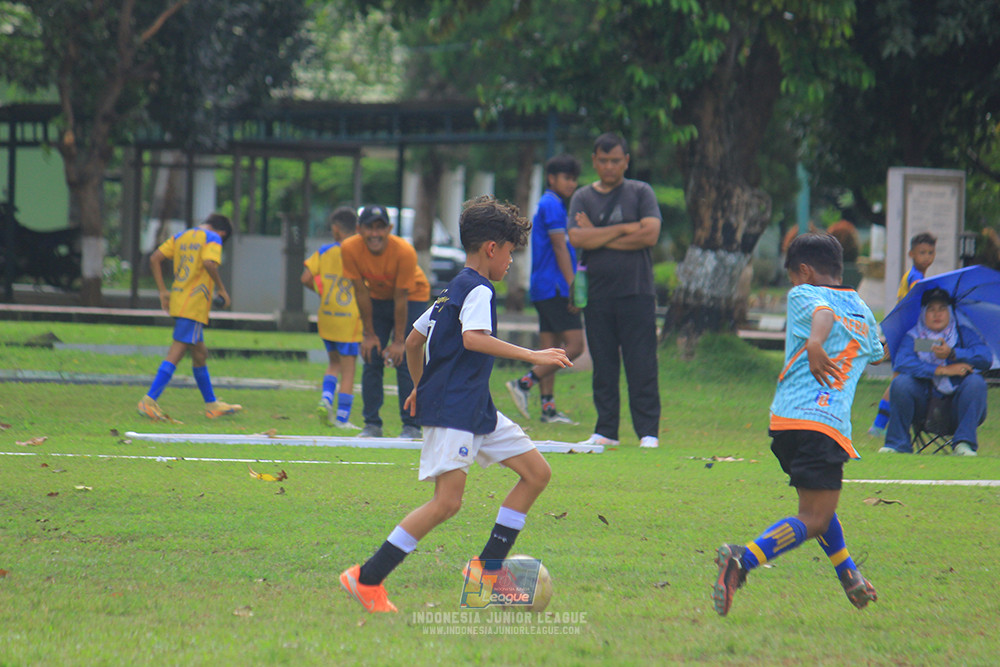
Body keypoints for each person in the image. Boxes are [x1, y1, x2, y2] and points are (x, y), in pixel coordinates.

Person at [339, 195, 571, 613]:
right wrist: (534, 355)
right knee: (446, 502)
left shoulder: (451, 290)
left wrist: (420, 385)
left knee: (537, 473)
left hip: (475, 408)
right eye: (510, 253)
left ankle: (486, 571)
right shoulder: (478, 288)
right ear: (492, 248)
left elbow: (414, 340)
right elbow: (473, 338)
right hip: (456, 410)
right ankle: (367, 578)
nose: (510, 263)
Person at [712, 233, 883, 617]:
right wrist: (818, 343)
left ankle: (848, 573)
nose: (794, 284)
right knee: (815, 516)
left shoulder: (802, 294)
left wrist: (819, 342)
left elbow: (829, 320)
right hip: (823, 425)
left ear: (803, 270)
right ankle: (742, 559)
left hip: (787, 423)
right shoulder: (859, 308)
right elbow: (872, 349)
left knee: (817, 507)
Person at [567, 132, 661, 449]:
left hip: (637, 292)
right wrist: (625, 228)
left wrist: (598, 234)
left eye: (616, 160)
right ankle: (606, 429)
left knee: (642, 363)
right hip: (597, 294)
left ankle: (648, 432)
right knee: (603, 365)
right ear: (594, 161)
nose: (609, 166)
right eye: (604, 160)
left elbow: (650, 235)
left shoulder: (641, 192)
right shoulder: (582, 197)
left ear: (626, 161)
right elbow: (577, 238)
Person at [137, 213, 242, 421]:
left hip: (179, 299)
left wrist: (163, 291)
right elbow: (210, 263)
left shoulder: (181, 236)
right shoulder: (213, 238)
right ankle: (149, 400)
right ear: (222, 233)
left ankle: (212, 405)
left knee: (200, 354)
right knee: (176, 352)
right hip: (194, 304)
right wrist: (222, 290)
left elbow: (155, 258)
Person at [340, 204, 431, 439]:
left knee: (406, 358)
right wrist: (369, 335)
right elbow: (360, 292)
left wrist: (399, 341)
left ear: (389, 229)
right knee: (371, 355)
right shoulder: (349, 248)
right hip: (377, 296)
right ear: (359, 229)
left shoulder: (404, 251)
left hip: (412, 297)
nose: (375, 234)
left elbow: (401, 297)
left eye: (380, 228)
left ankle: (412, 425)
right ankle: (372, 424)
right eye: (369, 228)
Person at [506, 153, 584, 424]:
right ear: (551, 178)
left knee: (549, 348)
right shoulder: (552, 204)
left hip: (542, 286)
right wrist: (573, 285)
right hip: (555, 287)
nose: (571, 183)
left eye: (574, 179)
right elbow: (559, 246)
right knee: (575, 345)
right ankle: (524, 383)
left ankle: (548, 409)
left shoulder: (551, 204)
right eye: (566, 178)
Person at [880, 287, 990, 456]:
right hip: (923, 406)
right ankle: (897, 444)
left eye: (942, 309)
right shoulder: (915, 337)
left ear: (950, 312)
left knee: (976, 382)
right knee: (901, 382)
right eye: (931, 309)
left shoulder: (962, 334)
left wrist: (953, 353)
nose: (937, 314)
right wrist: (941, 370)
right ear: (923, 313)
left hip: (957, 406)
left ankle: (964, 444)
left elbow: (985, 357)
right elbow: (903, 362)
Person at [869, 232, 937, 435]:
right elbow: (915, 303)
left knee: (905, 376)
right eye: (922, 252)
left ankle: (887, 424)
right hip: (908, 338)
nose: (927, 257)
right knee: (899, 379)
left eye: (930, 252)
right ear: (911, 254)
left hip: (908, 336)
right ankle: (879, 425)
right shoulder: (916, 278)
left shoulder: (913, 275)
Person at [301, 206, 362, 430]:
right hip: (350, 318)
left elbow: (305, 278)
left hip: (327, 315)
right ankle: (343, 419)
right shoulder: (359, 251)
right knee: (349, 369)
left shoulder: (325, 251)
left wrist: (322, 291)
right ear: (357, 228)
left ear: (335, 229)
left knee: (333, 363)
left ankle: (326, 398)